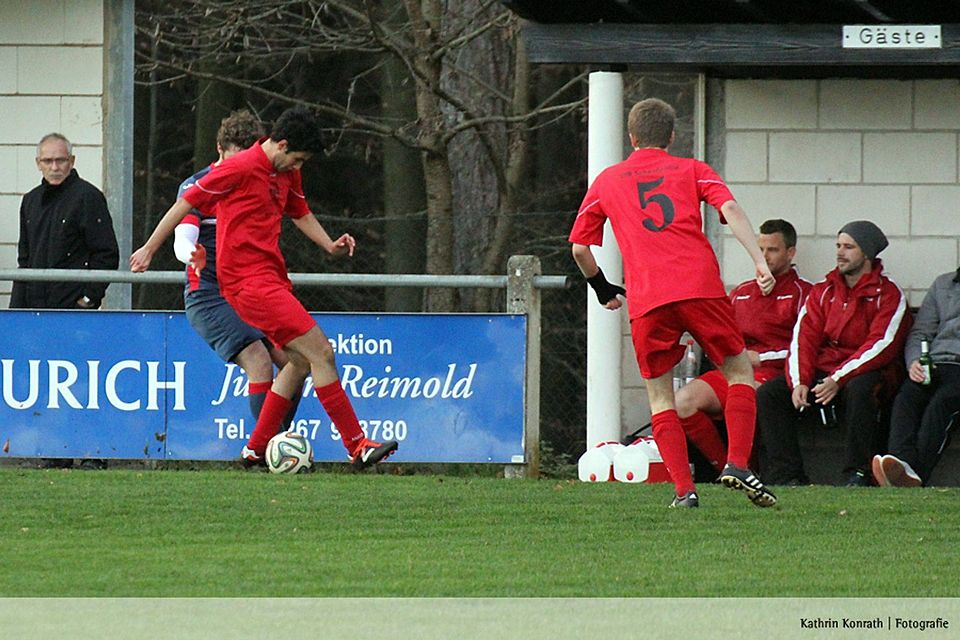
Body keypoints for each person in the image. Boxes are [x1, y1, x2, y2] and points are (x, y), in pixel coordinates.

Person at [130, 107, 397, 469]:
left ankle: (255, 450)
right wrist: (149, 248)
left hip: (272, 279)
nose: (299, 167)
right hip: (245, 284)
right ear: (282, 144)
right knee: (323, 353)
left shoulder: (286, 172)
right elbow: (185, 203)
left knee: (300, 362)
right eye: (298, 159)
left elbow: (299, 212)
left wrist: (329, 245)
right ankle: (358, 445)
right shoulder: (239, 168)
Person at [570, 97, 778, 509]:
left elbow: (579, 248)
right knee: (738, 370)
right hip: (700, 286)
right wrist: (758, 260)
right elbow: (730, 207)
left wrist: (603, 289)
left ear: (631, 137)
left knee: (661, 397)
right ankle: (737, 462)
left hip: (649, 297)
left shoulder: (609, 180)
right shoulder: (692, 169)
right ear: (671, 136)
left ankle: (684, 491)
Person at [757, 220, 912, 487]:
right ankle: (787, 474)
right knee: (770, 394)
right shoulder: (823, 291)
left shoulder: (889, 294)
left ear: (867, 253)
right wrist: (800, 381)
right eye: (838, 245)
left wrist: (837, 379)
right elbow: (803, 338)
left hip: (867, 372)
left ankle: (858, 473)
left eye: (849, 247)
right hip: (826, 371)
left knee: (861, 390)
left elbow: (881, 346)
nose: (840, 252)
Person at [173, 110, 301, 430]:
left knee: (295, 363)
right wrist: (192, 253)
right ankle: (271, 446)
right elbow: (182, 237)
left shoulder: (262, 182)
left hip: (249, 291)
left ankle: (275, 441)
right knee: (259, 360)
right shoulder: (201, 185)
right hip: (209, 295)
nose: (240, 169)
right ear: (219, 149)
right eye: (235, 160)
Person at [12, 133, 120, 470]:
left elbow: (107, 254)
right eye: (49, 161)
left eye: (61, 160)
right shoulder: (29, 202)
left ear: (72, 162)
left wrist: (90, 298)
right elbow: (25, 261)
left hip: (77, 313)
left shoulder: (88, 198)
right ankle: (55, 450)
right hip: (38, 312)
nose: (55, 167)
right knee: (47, 383)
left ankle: (92, 452)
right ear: (38, 164)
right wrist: (18, 313)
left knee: (85, 383)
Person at [675, 219, 812, 472]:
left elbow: (807, 344)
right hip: (735, 369)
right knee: (683, 401)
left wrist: (761, 358)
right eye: (760, 249)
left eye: (772, 250)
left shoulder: (804, 293)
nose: (764, 256)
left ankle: (748, 468)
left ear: (790, 252)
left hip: (773, 374)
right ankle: (726, 468)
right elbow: (718, 332)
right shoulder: (741, 292)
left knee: (753, 397)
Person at [873, 268, 960, 487]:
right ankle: (901, 464)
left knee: (941, 403)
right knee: (906, 398)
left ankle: (913, 474)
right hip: (936, 362)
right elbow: (920, 332)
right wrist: (914, 362)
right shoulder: (943, 284)